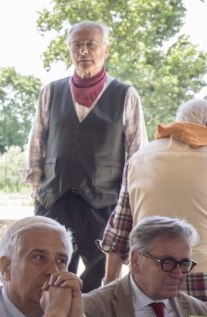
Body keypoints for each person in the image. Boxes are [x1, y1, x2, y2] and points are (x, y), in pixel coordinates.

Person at [26, 20, 147, 293]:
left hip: (103, 202)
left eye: (91, 44)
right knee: (47, 273)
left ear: (106, 49)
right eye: (76, 45)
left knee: (101, 273)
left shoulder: (125, 95)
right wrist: (37, 183)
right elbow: (37, 140)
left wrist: (130, 199)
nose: (83, 51)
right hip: (54, 199)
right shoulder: (51, 91)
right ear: (69, 50)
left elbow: (137, 151)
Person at [101, 99, 207, 301]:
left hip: (148, 278)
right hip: (204, 279)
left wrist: (110, 286)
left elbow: (118, 233)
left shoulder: (138, 159)